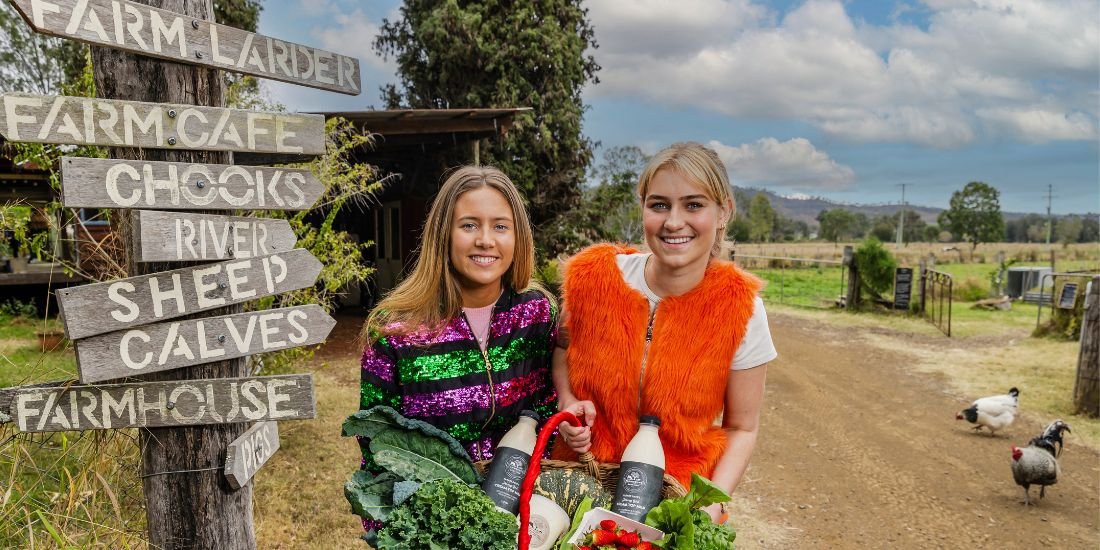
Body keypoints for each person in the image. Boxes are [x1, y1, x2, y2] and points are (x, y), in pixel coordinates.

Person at [551, 142, 776, 522]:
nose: (673, 222)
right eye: (659, 205)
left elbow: (742, 427)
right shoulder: (592, 278)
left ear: (723, 213)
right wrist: (568, 400)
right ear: (643, 209)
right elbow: (561, 351)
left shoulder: (741, 308)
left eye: (693, 205)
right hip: (577, 484)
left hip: (674, 498)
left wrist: (710, 508)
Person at [358, 166, 558, 470]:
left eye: (501, 227)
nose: (486, 240)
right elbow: (377, 445)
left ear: (518, 237)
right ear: (444, 235)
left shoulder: (537, 314)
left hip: (528, 504)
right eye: (469, 225)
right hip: (435, 510)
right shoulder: (395, 329)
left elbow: (551, 410)